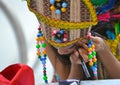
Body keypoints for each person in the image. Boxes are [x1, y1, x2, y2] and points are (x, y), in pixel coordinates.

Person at [26, 0, 120, 83]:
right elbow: (66, 80)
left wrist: (104, 50)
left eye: (70, 45)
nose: (60, 52)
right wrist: (76, 65)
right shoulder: (50, 30)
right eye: (56, 46)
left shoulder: (116, 24)